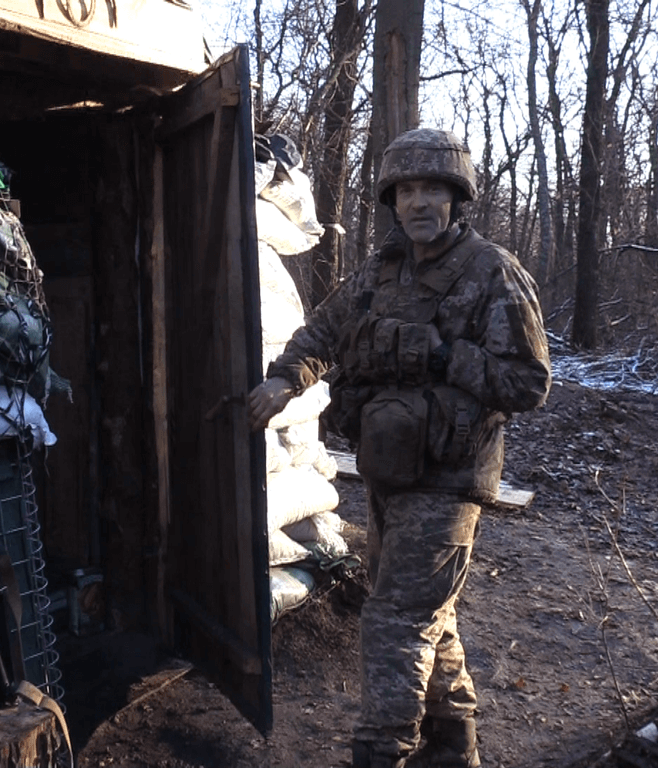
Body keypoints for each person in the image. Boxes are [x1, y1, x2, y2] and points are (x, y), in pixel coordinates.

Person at [248, 128, 551, 768]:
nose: (418, 202)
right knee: (424, 609)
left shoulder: (492, 272)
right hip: (389, 469)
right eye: (407, 190)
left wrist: (446, 356)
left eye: (432, 189)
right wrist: (284, 378)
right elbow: (326, 330)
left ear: (456, 198)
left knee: (394, 620)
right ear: (393, 199)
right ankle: (452, 740)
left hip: (449, 476)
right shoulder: (381, 271)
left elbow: (528, 382)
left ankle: (382, 750)